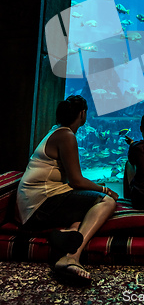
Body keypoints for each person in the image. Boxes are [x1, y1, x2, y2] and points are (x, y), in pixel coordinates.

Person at [16, 95, 118, 284]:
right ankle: (72, 256)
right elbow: (76, 181)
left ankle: (67, 234)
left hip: (34, 203)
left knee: (85, 209)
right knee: (106, 201)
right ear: (83, 114)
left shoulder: (57, 131)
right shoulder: (66, 135)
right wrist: (106, 189)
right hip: (39, 206)